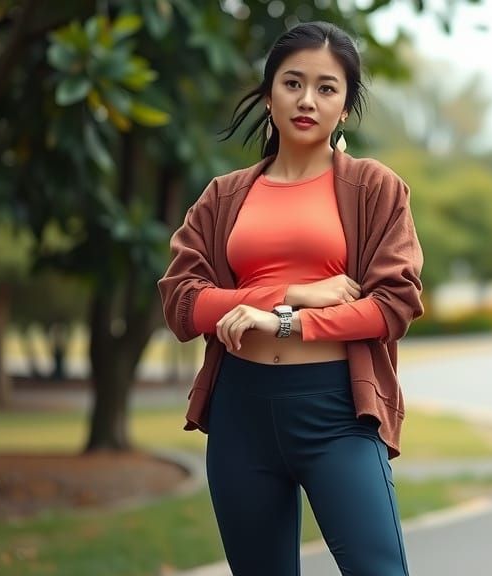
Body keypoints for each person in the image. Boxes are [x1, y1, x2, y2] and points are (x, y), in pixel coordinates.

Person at [157, 21, 423, 576]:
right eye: (292, 83)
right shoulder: (224, 195)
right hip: (240, 413)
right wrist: (292, 293)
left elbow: (393, 305)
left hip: (337, 413)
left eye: (327, 88)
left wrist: (287, 322)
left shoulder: (374, 189)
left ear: (345, 108)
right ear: (268, 94)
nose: (307, 100)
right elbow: (182, 303)